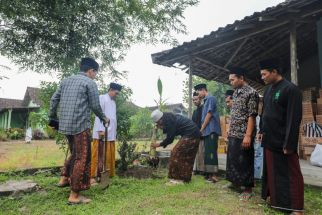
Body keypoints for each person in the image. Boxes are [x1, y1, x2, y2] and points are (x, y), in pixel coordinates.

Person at [49, 57, 109, 205]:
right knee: (83, 157)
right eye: (96, 73)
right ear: (91, 71)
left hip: (65, 126)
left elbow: (54, 100)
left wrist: (52, 117)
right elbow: (95, 105)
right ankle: (74, 195)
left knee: (75, 153)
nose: (95, 75)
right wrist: (104, 118)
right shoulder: (90, 83)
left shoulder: (65, 81)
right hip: (80, 126)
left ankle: (64, 177)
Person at [259, 58, 304, 215]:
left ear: (274, 72)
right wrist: (260, 130)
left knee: (291, 174)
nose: (262, 77)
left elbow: (294, 118)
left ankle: (297, 208)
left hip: (284, 141)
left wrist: (290, 143)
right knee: (272, 173)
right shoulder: (268, 90)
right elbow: (264, 112)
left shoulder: (290, 89)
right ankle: (278, 202)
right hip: (269, 139)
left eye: (264, 74)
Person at [226, 67, 259, 200]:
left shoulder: (252, 93)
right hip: (234, 131)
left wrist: (248, 135)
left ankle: (247, 188)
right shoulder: (235, 93)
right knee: (233, 159)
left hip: (244, 132)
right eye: (230, 80)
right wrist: (229, 127)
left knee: (245, 159)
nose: (231, 82)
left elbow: (252, 115)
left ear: (241, 78)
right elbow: (234, 113)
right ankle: (234, 183)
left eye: (233, 80)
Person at [151, 109, 201, 184]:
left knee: (176, 153)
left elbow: (170, 139)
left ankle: (177, 179)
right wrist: (161, 127)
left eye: (158, 123)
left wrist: (159, 144)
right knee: (187, 157)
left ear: (161, 119)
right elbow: (170, 134)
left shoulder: (170, 122)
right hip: (194, 134)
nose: (158, 125)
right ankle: (185, 179)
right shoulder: (169, 119)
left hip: (191, 134)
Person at [90, 82, 122, 184]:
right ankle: (94, 176)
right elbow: (99, 114)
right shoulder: (102, 98)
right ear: (111, 90)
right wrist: (100, 129)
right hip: (102, 132)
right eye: (116, 93)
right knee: (98, 155)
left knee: (108, 156)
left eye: (118, 94)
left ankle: (107, 175)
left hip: (111, 133)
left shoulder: (113, 102)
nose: (117, 95)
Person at [195, 84, 221, 183]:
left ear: (203, 90)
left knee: (211, 153)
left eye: (198, 92)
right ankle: (210, 175)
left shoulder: (210, 98)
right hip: (207, 131)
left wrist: (202, 128)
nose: (198, 95)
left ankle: (214, 175)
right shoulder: (205, 101)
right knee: (208, 153)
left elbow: (209, 114)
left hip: (211, 129)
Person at [192, 92, 205, 175]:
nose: (195, 101)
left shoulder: (204, 109)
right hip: (195, 135)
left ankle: (202, 170)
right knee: (196, 153)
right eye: (193, 100)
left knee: (202, 153)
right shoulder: (194, 111)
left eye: (196, 99)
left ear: (200, 99)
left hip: (203, 134)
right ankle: (196, 169)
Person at [254, 99, 263, 180]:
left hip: (259, 136)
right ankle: (256, 175)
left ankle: (257, 176)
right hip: (255, 136)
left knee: (258, 154)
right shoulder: (255, 116)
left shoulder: (260, 116)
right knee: (256, 155)